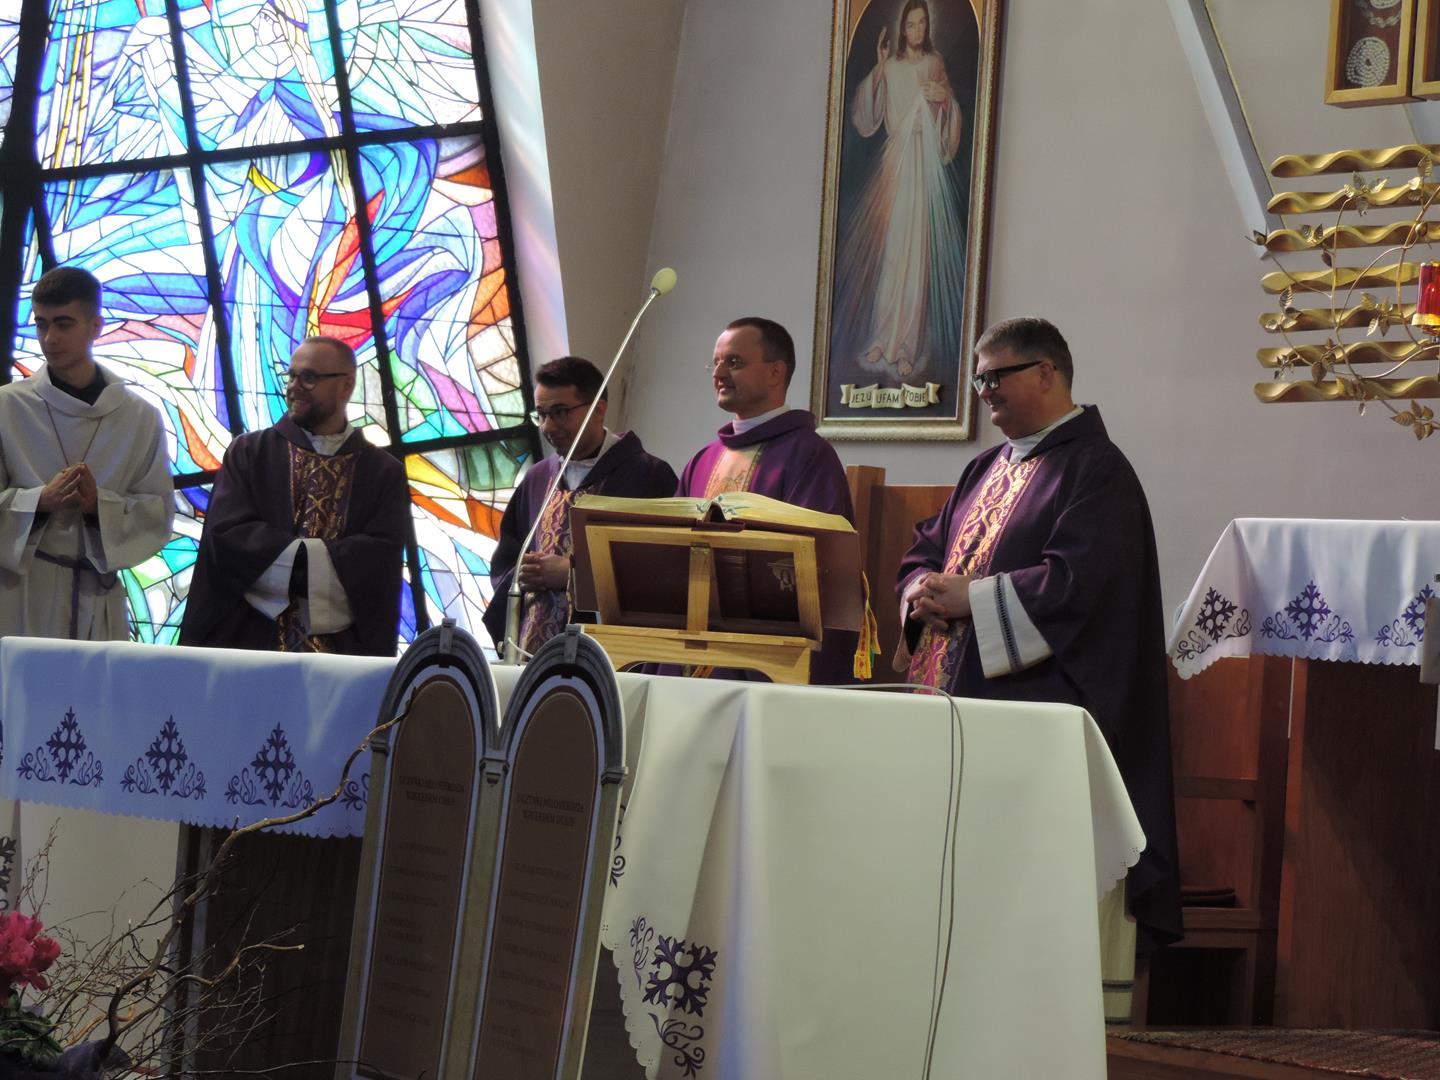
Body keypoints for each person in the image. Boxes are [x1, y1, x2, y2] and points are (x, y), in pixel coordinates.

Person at [896, 316, 1181, 1019]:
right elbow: (927, 547)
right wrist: (921, 592)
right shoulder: (987, 467)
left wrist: (970, 598)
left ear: (1047, 372)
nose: (985, 393)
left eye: (998, 376)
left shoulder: (1097, 471)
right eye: (979, 380)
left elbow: (1081, 588)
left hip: (1037, 728)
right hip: (955, 715)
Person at [179, 336, 409, 655]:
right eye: (292, 376)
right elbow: (228, 537)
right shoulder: (249, 453)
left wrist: (300, 564)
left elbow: (378, 560)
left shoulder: (382, 472)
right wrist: (309, 567)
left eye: (309, 377)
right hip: (247, 647)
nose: (294, 387)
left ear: (346, 386)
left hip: (341, 660)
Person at [677, 317, 859, 684]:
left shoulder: (809, 455)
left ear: (776, 372)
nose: (719, 373)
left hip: (760, 656)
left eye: (734, 362)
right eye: (715, 362)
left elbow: (814, 567)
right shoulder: (703, 460)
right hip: (688, 645)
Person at [0, 266, 174, 640]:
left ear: (96, 326)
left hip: (98, 593)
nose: (49, 338)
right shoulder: (7, 407)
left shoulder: (138, 417)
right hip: (22, 595)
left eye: (64, 324)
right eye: (41, 324)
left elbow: (157, 513)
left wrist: (99, 506)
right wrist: (38, 502)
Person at [483, 356, 676, 656]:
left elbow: (663, 574)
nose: (548, 426)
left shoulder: (647, 476)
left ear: (598, 409)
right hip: (532, 653)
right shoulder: (537, 479)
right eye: (541, 415)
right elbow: (508, 561)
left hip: (607, 657)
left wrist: (573, 576)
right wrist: (524, 574)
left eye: (560, 413)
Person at [833, 0, 972, 380]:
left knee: (915, 256)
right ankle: (883, 337)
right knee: (893, 254)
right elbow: (867, 117)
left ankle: (907, 345)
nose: (916, 31)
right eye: (910, 25)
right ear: (901, 29)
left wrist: (945, 102)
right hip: (896, 163)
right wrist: (879, 68)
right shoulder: (891, 66)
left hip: (922, 165)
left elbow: (948, 111)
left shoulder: (934, 63)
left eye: (922, 24)